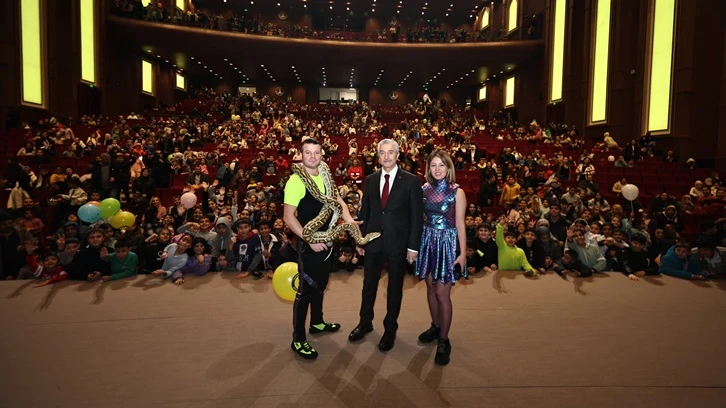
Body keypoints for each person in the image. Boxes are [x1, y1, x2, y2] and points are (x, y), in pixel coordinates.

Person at [283, 138, 360, 360]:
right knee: (305, 291)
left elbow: (338, 201)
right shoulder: (296, 181)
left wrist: (349, 220)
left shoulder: (325, 174)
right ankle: (298, 339)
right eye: (308, 152)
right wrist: (309, 239)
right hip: (309, 243)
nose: (313, 156)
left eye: (317, 152)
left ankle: (316, 322)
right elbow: (288, 217)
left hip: (327, 241)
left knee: (321, 285)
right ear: (301, 155)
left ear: (322, 155)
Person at [349, 138, 424, 352]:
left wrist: (413, 247)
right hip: (373, 241)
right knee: (368, 285)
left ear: (398, 155)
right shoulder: (370, 180)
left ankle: (390, 329)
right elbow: (365, 212)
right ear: (378, 156)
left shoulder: (411, 181)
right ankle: (365, 323)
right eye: (382, 152)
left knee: (394, 289)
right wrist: (360, 240)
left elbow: (416, 217)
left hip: (398, 243)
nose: (387, 156)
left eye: (391, 152)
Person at [413, 150, 467, 366]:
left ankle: (444, 339)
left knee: (442, 294)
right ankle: (435, 326)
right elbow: (419, 219)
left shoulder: (457, 192)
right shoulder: (423, 189)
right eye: (433, 165)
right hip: (427, 242)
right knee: (430, 288)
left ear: (448, 167)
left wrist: (462, 253)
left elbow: (460, 224)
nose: (437, 169)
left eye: (441, 165)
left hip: (447, 244)